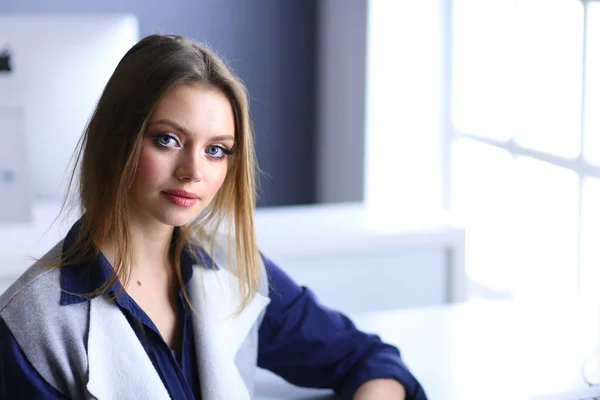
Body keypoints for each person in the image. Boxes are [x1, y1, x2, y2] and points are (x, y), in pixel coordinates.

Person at [0, 35, 427, 399]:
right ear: (110, 139)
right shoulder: (30, 323)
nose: (194, 171)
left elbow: (367, 358)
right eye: (168, 140)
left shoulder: (234, 269)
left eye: (216, 149)